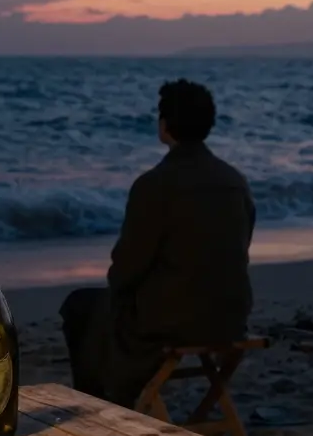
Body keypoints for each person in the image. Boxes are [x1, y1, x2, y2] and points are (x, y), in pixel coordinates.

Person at [60, 79, 255, 409]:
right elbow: (238, 248)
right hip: (229, 318)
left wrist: (123, 295)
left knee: (80, 306)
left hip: (174, 320)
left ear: (164, 126)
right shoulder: (234, 181)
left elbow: (126, 269)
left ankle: (99, 405)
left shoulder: (154, 185)